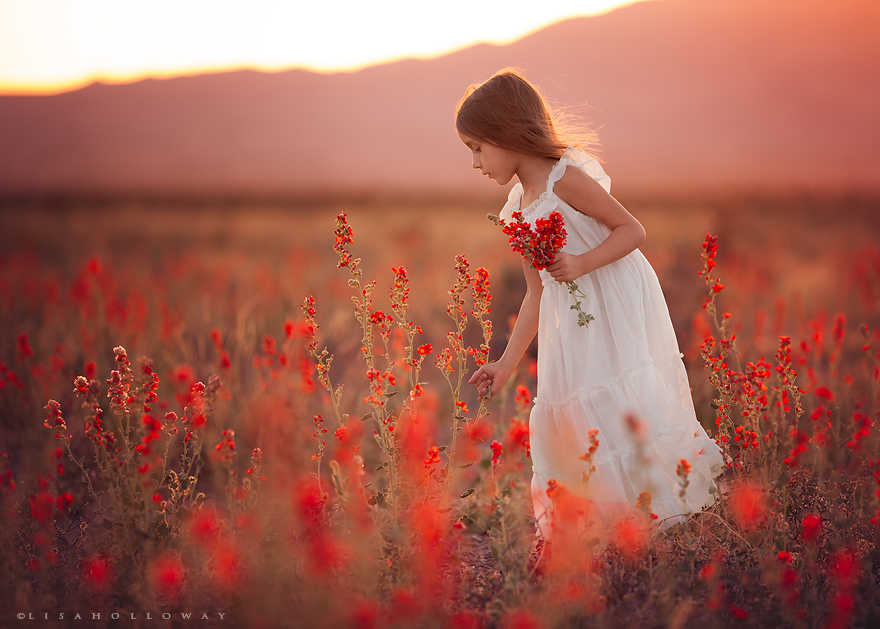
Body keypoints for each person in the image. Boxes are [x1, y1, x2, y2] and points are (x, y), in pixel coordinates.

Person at [457, 69, 724, 547]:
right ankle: (600, 537)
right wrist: (504, 364)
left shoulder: (567, 181)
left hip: (613, 299)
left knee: (619, 402)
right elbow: (536, 291)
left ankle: (660, 525)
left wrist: (581, 262)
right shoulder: (519, 206)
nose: (475, 163)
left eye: (478, 147)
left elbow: (632, 230)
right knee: (575, 411)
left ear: (506, 134)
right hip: (572, 318)